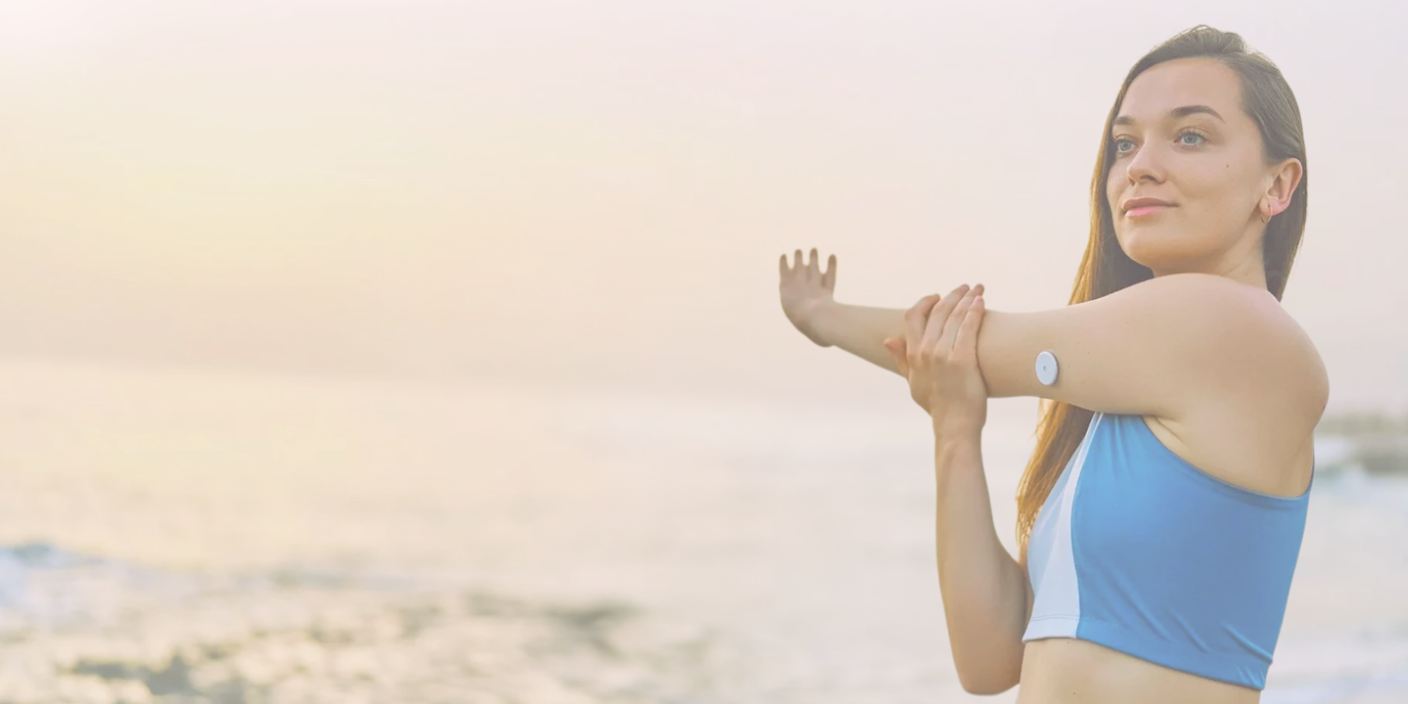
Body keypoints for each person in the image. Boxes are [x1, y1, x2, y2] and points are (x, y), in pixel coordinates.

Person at [776, 25, 1324, 704]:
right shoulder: (1118, 409)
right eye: (1125, 143)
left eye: (1190, 136)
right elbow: (989, 660)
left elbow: (975, 345)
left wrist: (823, 318)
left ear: (1278, 185)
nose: (1139, 166)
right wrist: (955, 431)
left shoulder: (1239, 327)